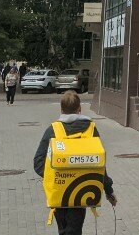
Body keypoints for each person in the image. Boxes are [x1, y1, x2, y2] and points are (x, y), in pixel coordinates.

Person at [33, 91, 117, 235]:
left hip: (59, 192)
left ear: (61, 110)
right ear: (79, 109)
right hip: (81, 190)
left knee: (64, 230)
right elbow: (99, 164)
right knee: (75, 229)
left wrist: (56, 177)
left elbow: (38, 162)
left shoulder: (53, 130)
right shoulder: (91, 129)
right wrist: (108, 190)